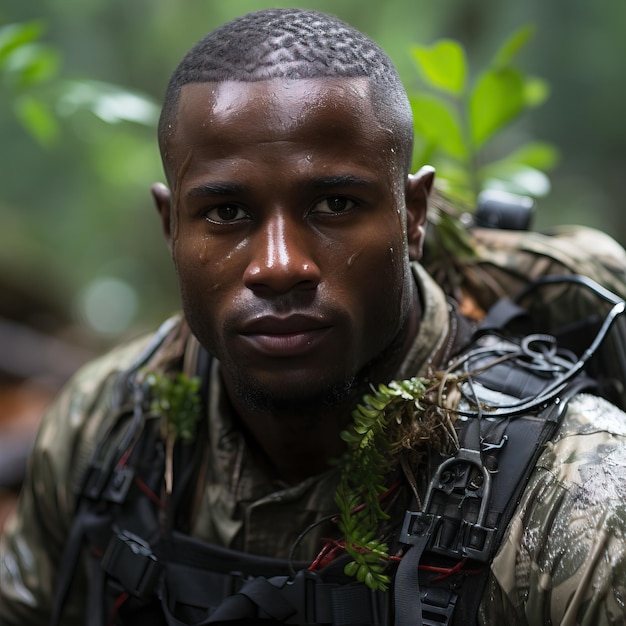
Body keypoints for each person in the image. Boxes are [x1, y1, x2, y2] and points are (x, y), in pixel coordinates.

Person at [1, 8, 626, 625]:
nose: (279, 266)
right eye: (225, 213)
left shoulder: (576, 499)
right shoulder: (104, 427)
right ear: (171, 227)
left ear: (413, 215)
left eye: (333, 204)